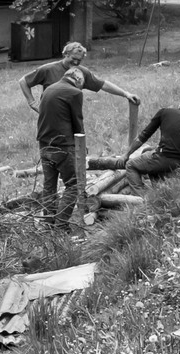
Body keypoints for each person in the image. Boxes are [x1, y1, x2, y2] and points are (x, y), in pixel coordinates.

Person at [19, 40, 139, 114]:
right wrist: (32, 102)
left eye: (79, 60)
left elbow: (103, 84)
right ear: (66, 54)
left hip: (71, 115)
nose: (76, 62)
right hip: (49, 114)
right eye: (73, 58)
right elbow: (23, 81)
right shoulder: (48, 69)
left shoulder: (81, 72)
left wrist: (126, 94)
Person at [34, 66, 87, 229]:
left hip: (44, 143)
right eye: (82, 84)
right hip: (63, 145)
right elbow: (77, 121)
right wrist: (82, 147)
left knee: (49, 185)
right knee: (73, 185)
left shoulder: (48, 89)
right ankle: (61, 225)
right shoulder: (75, 93)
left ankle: (48, 222)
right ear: (78, 80)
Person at [120, 100, 180, 186]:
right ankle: (157, 189)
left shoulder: (165, 112)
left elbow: (143, 136)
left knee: (131, 165)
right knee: (147, 150)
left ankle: (141, 195)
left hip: (165, 157)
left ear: (179, 107)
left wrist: (126, 155)